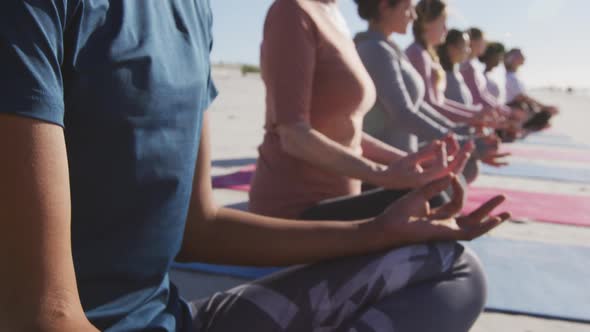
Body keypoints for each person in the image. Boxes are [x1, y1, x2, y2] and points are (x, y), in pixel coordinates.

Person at [0, 0, 509, 331]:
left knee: (449, 268)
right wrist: (388, 179)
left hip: (176, 318)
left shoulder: (192, 11)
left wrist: (380, 231)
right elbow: (43, 315)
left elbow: (201, 226)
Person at [248, 0, 473, 220]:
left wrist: (408, 162)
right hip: (296, 207)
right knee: (434, 199)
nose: (414, 16)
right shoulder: (292, 11)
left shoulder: (333, 14)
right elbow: (293, 135)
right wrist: (382, 175)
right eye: (409, 7)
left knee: (443, 184)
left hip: (340, 195)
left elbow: (345, 131)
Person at [353, 0, 505, 184]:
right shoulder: (374, 49)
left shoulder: (388, 48)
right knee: (463, 170)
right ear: (384, 6)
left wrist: (458, 133)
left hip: (403, 155)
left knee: (466, 168)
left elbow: (419, 105)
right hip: (391, 165)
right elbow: (403, 113)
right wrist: (461, 140)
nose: (414, 16)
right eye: (408, 8)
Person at [405, 1, 499, 128]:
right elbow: (430, 104)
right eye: (443, 22)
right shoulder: (417, 53)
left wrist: (476, 113)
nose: (446, 29)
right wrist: (472, 117)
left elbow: (440, 101)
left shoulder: (424, 54)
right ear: (426, 23)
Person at [505, 48, 559, 115]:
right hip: (517, 111)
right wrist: (543, 107)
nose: (523, 57)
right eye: (519, 55)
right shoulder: (511, 77)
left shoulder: (514, 76)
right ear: (512, 59)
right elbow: (521, 97)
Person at [438, 29, 476, 106]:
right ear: (451, 49)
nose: (469, 50)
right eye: (465, 46)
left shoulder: (456, 74)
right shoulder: (442, 76)